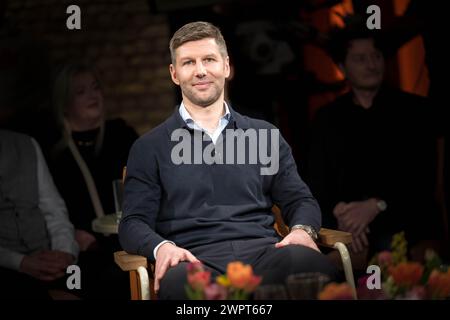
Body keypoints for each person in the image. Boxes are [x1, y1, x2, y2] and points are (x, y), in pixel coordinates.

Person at [119, 21, 338, 300]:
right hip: (194, 260)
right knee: (178, 285)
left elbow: (300, 200)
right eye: (188, 63)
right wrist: (162, 248)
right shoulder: (149, 147)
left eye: (209, 59)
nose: (200, 71)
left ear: (226, 66)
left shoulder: (264, 136)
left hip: (264, 255)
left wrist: (302, 230)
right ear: (174, 74)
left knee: (311, 266)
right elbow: (133, 222)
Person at [306, 25, 444, 268]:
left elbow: (422, 179)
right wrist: (343, 214)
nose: (371, 65)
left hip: (405, 217)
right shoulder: (326, 118)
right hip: (347, 226)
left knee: (385, 244)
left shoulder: (415, 111)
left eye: (376, 56)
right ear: (342, 67)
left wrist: (375, 206)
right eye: (360, 59)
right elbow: (316, 180)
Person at [50, 62, 138, 298]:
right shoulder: (54, 151)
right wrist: (72, 233)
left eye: (95, 88)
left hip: (127, 239)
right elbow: (48, 206)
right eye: (81, 92)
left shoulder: (121, 134)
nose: (92, 96)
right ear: (65, 103)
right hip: (85, 248)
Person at [0, 129, 79, 299]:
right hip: (9, 267)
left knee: (86, 279)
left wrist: (64, 251)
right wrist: (21, 263)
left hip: (50, 256)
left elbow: (54, 209)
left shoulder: (26, 143)